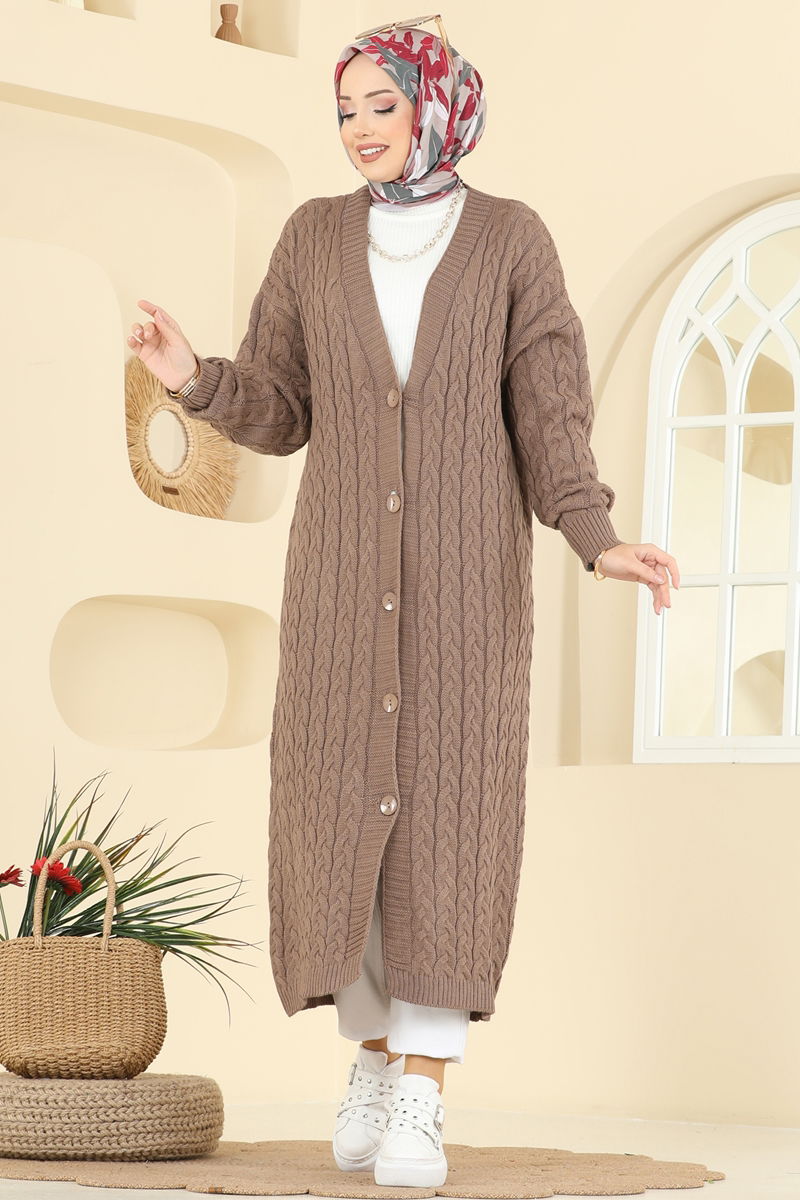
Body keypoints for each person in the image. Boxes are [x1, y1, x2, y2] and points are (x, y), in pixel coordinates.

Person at [127, 21, 679, 1190]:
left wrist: (597, 540)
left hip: (464, 595)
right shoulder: (311, 237)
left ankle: (422, 1088)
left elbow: (549, 412)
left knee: (446, 831)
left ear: (437, 106)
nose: (360, 128)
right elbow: (282, 407)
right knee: (342, 826)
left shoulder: (510, 241)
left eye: (381, 104)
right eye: (344, 110)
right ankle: (374, 1059)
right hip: (338, 594)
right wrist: (191, 377)